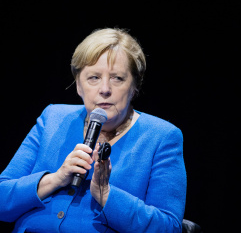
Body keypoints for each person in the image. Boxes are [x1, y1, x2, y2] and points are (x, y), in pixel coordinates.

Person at [0, 28, 187, 232]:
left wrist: (106, 194)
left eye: (117, 78)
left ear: (134, 87)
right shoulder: (52, 118)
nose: (105, 89)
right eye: (94, 78)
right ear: (79, 85)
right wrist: (55, 179)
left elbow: (169, 227)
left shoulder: (162, 137)